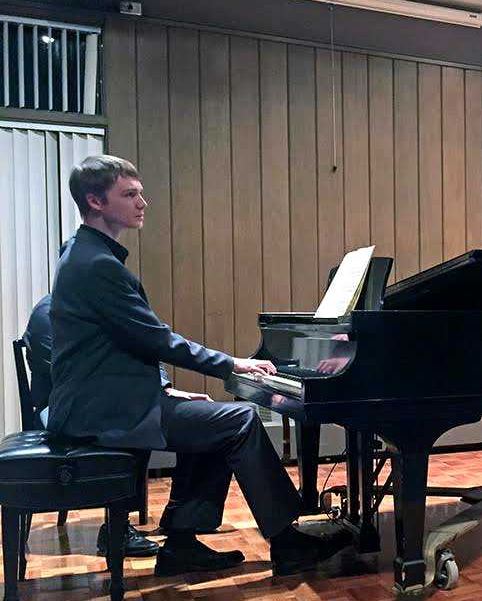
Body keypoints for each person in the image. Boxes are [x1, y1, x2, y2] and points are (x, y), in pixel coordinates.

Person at [47, 154, 351, 577]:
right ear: (96, 201)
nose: (142, 203)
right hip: (105, 410)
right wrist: (232, 364)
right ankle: (286, 542)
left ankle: (183, 545)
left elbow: (124, 342)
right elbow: (157, 339)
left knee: (217, 420)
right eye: (129, 194)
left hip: (103, 399)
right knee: (240, 420)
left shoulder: (85, 254)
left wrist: (164, 391)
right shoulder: (97, 265)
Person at [22, 284, 159, 557]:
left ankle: (132, 521)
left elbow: (140, 347)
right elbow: (73, 375)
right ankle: (117, 528)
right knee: (127, 422)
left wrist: (163, 386)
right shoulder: (48, 314)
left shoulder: (86, 310)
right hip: (56, 409)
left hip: (85, 400)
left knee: (144, 415)